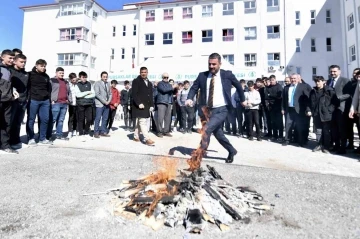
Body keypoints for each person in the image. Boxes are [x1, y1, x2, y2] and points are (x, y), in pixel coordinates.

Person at [186, 53, 245, 164]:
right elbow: (194, 88)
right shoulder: (202, 75)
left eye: (214, 64)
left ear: (220, 64)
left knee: (206, 130)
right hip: (206, 111)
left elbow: (238, 86)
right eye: (210, 64)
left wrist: (242, 100)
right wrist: (189, 98)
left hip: (221, 110)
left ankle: (197, 157)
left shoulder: (227, 74)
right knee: (218, 134)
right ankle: (231, 150)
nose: (211, 66)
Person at [26, 59, 52, 146]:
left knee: (45, 119)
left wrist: (48, 98)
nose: (43, 68)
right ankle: (31, 138)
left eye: (44, 66)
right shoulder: (30, 74)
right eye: (41, 66)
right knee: (31, 120)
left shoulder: (46, 76)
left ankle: (42, 138)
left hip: (45, 101)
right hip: (33, 100)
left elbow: (49, 88)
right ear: (36, 65)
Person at [327, 65, 351, 154]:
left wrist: (339, 97)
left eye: (334, 71)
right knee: (334, 129)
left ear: (339, 72)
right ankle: (336, 146)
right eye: (331, 72)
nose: (333, 73)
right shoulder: (329, 81)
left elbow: (349, 94)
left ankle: (343, 147)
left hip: (341, 108)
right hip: (331, 109)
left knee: (342, 129)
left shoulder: (345, 81)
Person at [307, 76, 335, 154]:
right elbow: (309, 102)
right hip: (316, 114)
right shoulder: (313, 91)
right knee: (318, 131)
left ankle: (326, 147)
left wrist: (329, 110)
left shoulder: (329, 91)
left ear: (323, 81)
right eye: (316, 82)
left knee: (326, 131)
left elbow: (335, 102)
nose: (317, 83)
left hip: (326, 114)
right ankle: (319, 145)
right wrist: (309, 110)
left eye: (319, 81)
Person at [281, 74, 311, 147]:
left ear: (298, 79)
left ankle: (301, 141)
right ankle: (287, 140)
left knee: (299, 126)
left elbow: (307, 99)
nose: (293, 80)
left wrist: (308, 109)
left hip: (299, 110)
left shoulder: (303, 86)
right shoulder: (286, 88)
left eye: (294, 78)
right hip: (289, 109)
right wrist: (282, 108)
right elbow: (283, 100)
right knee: (288, 125)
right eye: (291, 78)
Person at [0, 50, 18, 153]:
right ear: (2, 57)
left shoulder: (9, 70)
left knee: (6, 123)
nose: (12, 60)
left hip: (8, 100)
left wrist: (13, 92)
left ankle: (5, 145)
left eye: (13, 58)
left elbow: (8, 85)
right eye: (9, 58)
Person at [131, 67, 155, 145]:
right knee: (142, 121)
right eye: (142, 72)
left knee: (139, 122)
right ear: (140, 72)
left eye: (145, 72)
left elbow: (151, 95)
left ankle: (135, 136)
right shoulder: (136, 81)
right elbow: (134, 94)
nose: (143, 73)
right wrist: (139, 103)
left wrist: (151, 105)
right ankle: (147, 139)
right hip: (139, 105)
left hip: (147, 106)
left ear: (147, 73)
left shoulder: (150, 83)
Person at [9, 53, 28, 149]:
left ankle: (16, 141)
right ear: (15, 61)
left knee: (18, 123)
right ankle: (6, 143)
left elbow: (27, 88)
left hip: (23, 101)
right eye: (21, 62)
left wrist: (26, 99)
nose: (23, 64)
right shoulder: (10, 71)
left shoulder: (25, 74)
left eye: (25, 62)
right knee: (10, 123)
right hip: (12, 101)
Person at [48, 67, 70, 140]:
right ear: (56, 73)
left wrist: (68, 100)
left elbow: (69, 92)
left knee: (61, 120)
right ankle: (48, 135)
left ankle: (59, 135)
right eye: (60, 73)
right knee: (53, 120)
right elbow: (48, 91)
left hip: (64, 103)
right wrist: (51, 100)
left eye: (62, 73)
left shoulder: (66, 82)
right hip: (56, 103)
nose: (61, 74)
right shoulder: (52, 80)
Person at [75, 71, 95, 142]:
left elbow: (93, 94)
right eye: (83, 77)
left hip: (89, 104)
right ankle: (81, 134)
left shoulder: (89, 84)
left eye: (85, 77)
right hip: (80, 104)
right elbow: (78, 95)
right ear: (80, 77)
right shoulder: (77, 85)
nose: (84, 78)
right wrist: (88, 92)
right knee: (81, 119)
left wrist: (83, 95)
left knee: (89, 119)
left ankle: (86, 132)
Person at [156, 73, 175, 137]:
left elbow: (172, 92)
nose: (166, 78)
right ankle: (159, 132)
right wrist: (172, 88)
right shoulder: (160, 84)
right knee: (160, 118)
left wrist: (173, 88)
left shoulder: (169, 85)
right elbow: (163, 90)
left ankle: (166, 131)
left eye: (167, 77)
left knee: (168, 118)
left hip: (169, 102)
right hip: (162, 102)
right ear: (162, 77)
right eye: (165, 77)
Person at [94, 71, 112, 138]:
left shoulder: (108, 84)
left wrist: (109, 101)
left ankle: (103, 131)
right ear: (101, 77)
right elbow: (97, 94)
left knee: (105, 118)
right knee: (98, 118)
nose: (105, 78)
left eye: (106, 77)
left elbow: (110, 94)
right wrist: (104, 101)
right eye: (104, 77)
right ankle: (96, 132)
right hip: (100, 104)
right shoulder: (97, 83)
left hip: (107, 104)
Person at [67, 73, 78, 139]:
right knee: (71, 117)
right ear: (70, 79)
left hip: (77, 103)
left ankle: (75, 129)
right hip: (71, 103)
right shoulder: (68, 85)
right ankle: (70, 131)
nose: (74, 81)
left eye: (75, 80)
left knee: (76, 117)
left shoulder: (77, 85)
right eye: (73, 80)